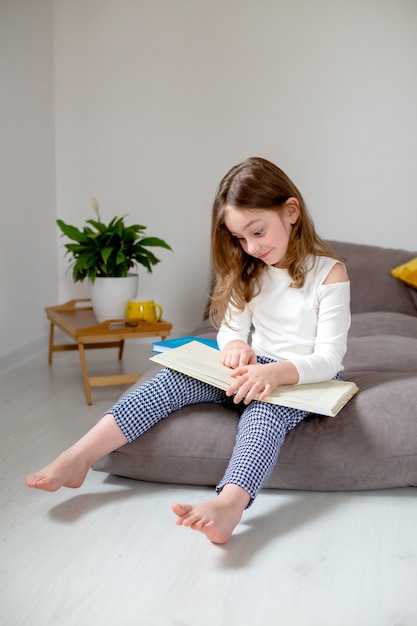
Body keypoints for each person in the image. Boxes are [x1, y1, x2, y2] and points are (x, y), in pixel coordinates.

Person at [26, 157, 350, 544]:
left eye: (258, 232)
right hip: (252, 369)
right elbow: (233, 328)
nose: (251, 247)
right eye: (241, 239)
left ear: (291, 212)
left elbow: (328, 358)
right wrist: (233, 347)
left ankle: (228, 505)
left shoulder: (329, 273)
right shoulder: (250, 269)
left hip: (298, 377)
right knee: (170, 380)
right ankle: (79, 456)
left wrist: (274, 374)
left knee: (264, 417)